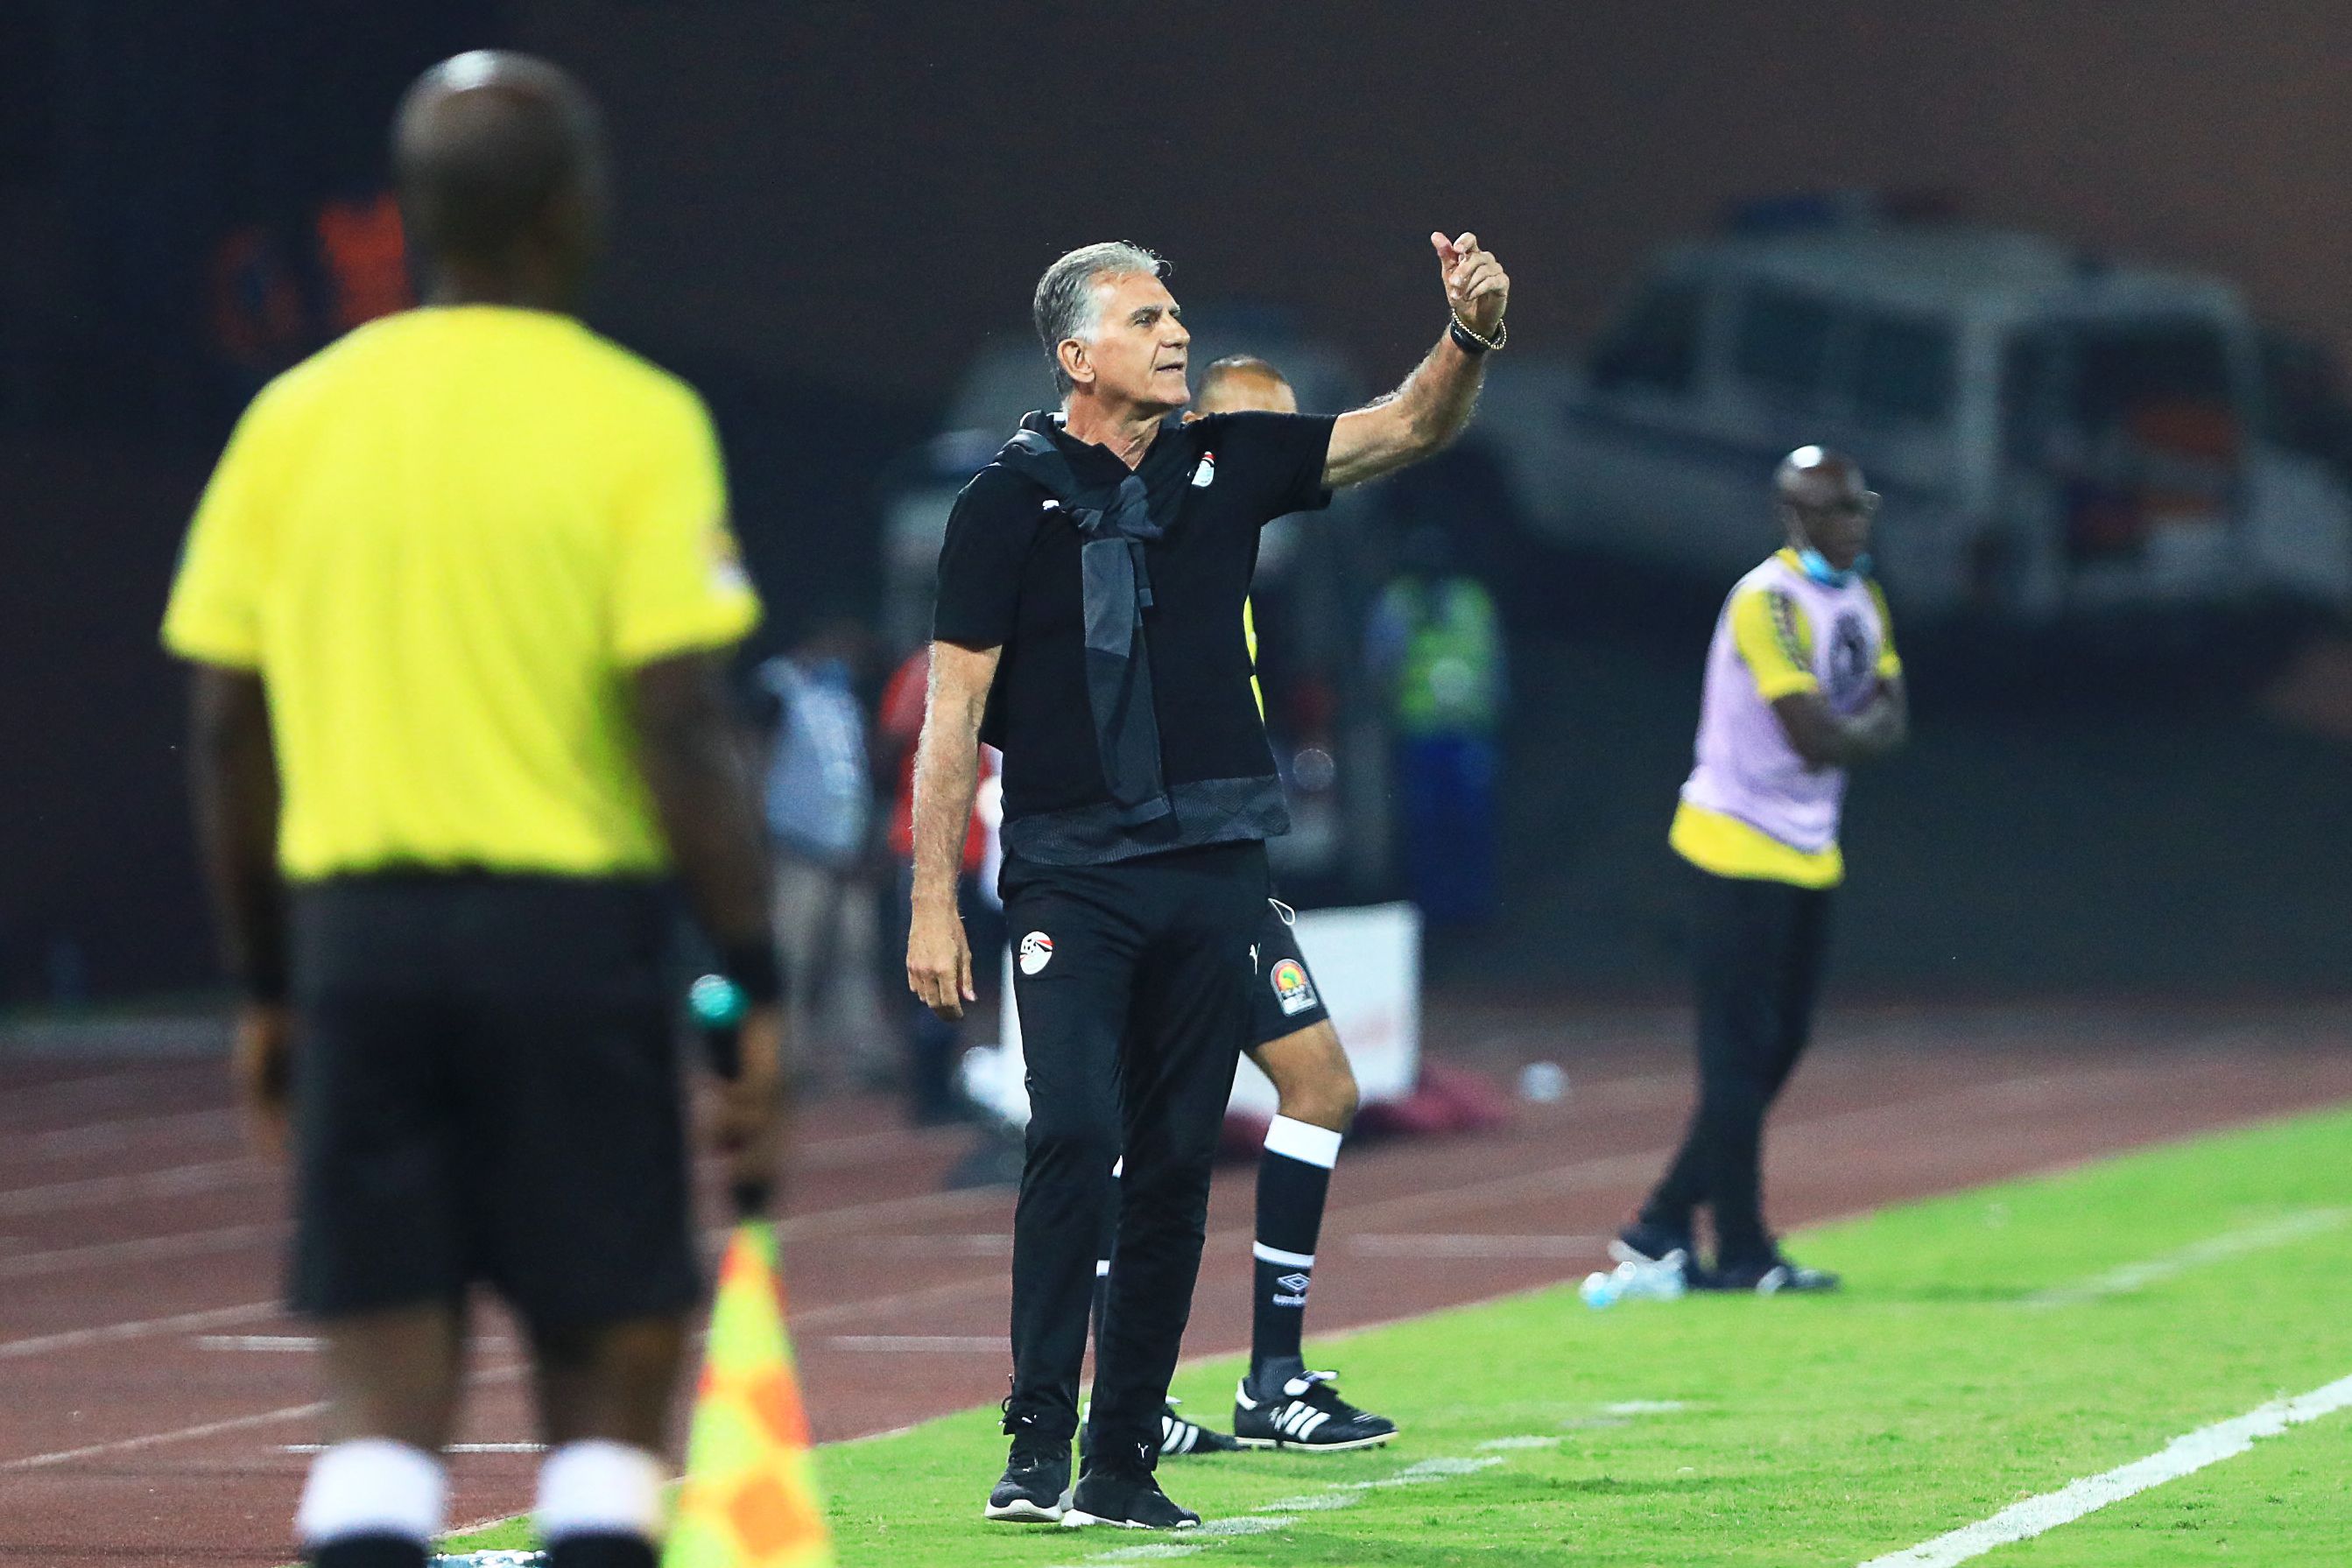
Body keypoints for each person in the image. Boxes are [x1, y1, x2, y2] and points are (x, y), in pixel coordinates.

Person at [160, 53, 783, 1568]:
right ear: (572, 209)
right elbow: (678, 721)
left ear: (414, 213)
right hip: (567, 950)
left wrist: (268, 984)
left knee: (379, 1403)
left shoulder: (294, 417)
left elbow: (228, 725)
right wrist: (750, 974)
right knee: (608, 1377)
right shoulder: (637, 417)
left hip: (361, 949)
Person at [909, 232, 1509, 1530]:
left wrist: (1467, 335)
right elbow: (952, 715)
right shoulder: (1001, 502)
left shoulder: (1225, 461)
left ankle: (1122, 1460)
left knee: (1178, 1162)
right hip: (1072, 872)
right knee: (1074, 1130)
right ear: (1076, 355)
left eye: (1174, 314)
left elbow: (1407, 425)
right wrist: (930, 901)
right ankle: (1035, 1438)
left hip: (1214, 869)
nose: (1175, 332)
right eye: (1145, 318)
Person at [1088, 355, 1394, 1459]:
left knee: (1320, 1088)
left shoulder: (1239, 573)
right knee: (1141, 1131)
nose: (1287, 461)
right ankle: (1127, 1401)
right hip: (1146, 882)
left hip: (1227, 881)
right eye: (1265, 437)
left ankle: (1271, 1379)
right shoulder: (1151, 541)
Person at [1615, 446, 1907, 1295]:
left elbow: (1894, 712)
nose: (1856, 523)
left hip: (1810, 848)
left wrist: (1854, 735)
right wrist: (1858, 735)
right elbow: (1812, 733)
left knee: (1781, 1043)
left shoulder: (1863, 596)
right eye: (1839, 509)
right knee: (1736, 1058)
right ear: (1798, 517)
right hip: (1735, 847)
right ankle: (1742, 1249)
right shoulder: (1767, 600)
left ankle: (1662, 1219)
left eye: (1861, 505)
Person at [877, 642, 1003, 1123]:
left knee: (981, 977)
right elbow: (890, 743)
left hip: (986, 848)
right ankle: (928, 1091)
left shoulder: (1006, 658)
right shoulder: (924, 668)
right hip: (930, 847)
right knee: (934, 971)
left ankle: (957, 1080)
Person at [756, 622, 886, 1086]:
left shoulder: (842, 697)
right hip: (797, 849)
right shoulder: (778, 687)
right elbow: (757, 757)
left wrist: (867, 840)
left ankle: (864, 1057)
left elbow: (856, 774)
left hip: (847, 851)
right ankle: (786, 1059)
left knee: (856, 956)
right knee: (794, 958)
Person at [1367, 525, 1506, 925]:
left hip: (1469, 732)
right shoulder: (1397, 603)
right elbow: (1380, 665)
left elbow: (1494, 660)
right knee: (1427, 826)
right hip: (1421, 734)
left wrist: (1497, 712)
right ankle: (1433, 911)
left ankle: (1473, 909)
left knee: (1472, 824)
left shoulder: (1472, 599)